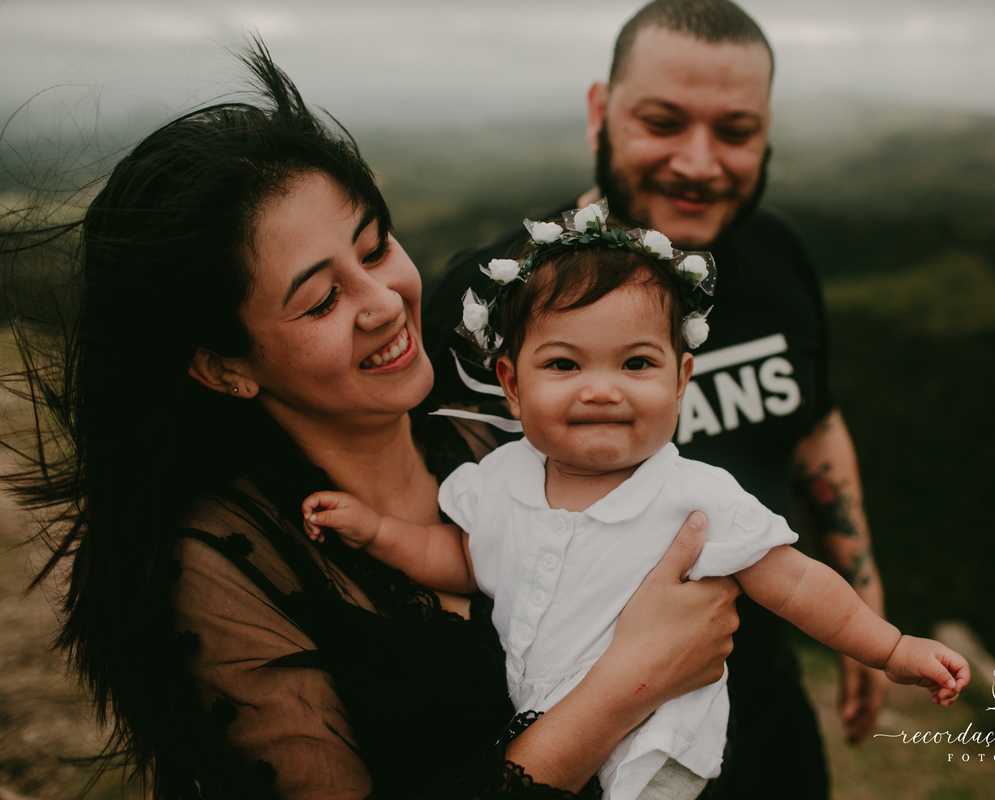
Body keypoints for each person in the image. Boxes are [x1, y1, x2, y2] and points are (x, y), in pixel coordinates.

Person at [1, 43, 743, 800]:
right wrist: (624, 687)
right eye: (321, 300)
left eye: (376, 246)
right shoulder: (229, 567)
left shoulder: (490, 445)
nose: (384, 301)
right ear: (224, 366)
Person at [310, 210, 969, 800]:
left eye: (636, 365)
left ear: (681, 379)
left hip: (657, 749)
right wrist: (375, 532)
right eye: (565, 365)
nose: (601, 391)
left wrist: (890, 648)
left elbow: (794, 581)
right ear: (511, 385)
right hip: (545, 741)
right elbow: (460, 557)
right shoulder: (498, 479)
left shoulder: (695, 497)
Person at [422, 2, 888, 796]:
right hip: (575, 747)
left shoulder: (777, 255)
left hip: (763, 711)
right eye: (663, 122)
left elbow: (813, 422)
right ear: (601, 111)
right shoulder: (493, 303)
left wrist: (861, 594)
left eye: (735, 131)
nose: (700, 163)